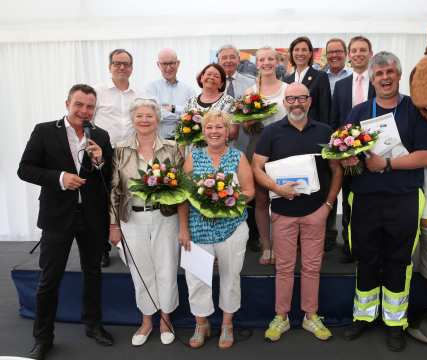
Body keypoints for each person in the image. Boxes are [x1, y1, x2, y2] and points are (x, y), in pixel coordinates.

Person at [340, 51, 427, 352]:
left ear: (398, 75)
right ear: (371, 79)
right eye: (379, 73)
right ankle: (364, 316)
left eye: (389, 72)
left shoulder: (416, 111)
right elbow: (345, 152)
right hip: (365, 198)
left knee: (399, 260)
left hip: (404, 198)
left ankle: (395, 322)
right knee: (366, 257)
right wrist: (346, 160)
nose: (384, 78)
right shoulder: (358, 112)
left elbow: (426, 155)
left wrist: (385, 165)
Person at [18, 84, 114, 360]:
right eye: (79, 105)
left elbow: (107, 178)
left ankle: (93, 325)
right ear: (67, 103)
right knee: (49, 278)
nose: (84, 111)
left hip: (92, 216)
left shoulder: (101, 135)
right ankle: (43, 337)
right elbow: (25, 169)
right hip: (57, 215)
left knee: (93, 272)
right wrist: (60, 178)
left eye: (90, 106)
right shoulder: (45, 130)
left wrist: (101, 161)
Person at [252, 83, 343, 342]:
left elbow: (337, 170)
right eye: (291, 98)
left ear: (310, 101)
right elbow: (257, 167)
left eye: (301, 98)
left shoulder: (325, 131)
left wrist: (327, 206)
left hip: (316, 212)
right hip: (283, 212)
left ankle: (310, 316)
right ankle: (281, 316)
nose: (296, 104)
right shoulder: (271, 132)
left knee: (313, 267)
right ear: (285, 101)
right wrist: (276, 189)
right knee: (284, 267)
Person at [109, 98, 183, 347]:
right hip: (132, 218)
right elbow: (114, 190)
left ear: (157, 119)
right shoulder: (120, 149)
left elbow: (182, 188)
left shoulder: (173, 148)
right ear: (132, 119)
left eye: (149, 116)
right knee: (140, 271)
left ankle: (165, 319)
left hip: (166, 217)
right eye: (139, 116)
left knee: (167, 267)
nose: (144, 120)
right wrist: (114, 224)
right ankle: (146, 320)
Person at [179, 111, 255, 349]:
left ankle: (227, 324)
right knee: (197, 279)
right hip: (197, 228)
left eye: (219, 127)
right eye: (210, 127)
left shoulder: (238, 156)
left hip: (231, 228)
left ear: (228, 132)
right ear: (203, 131)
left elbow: (250, 191)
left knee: (230, 278)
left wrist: (228, 198)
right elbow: (182, 195)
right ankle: (201, 324)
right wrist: (183, 229)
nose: (214, 131)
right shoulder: (193, 156)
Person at [94, 48, 142, 268]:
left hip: (132, 153)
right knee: (103, 200)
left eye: (126, 64)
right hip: (103, 152)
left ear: (131, 67)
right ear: (109, 66)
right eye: (117, 63)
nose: (121, 67)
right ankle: (102, 248)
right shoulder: (98, 92)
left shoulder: (139, 94)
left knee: (129, 197)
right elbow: (88, 122)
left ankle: (132, 244)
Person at [331, 35, 375, 259]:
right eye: (354, 50)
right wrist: (340, 152)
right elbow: (336, 120)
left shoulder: (380, 81)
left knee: (372, 202)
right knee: (348, 200)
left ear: (370, 54)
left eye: (362, 50)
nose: (358, 54)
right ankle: (349, 246)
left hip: (375, 153)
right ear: (349, 56)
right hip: (347, 155)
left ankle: (371, 246)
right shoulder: (340, 86)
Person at [244, 46, 288, 265]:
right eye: (262, 59)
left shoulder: (288, 89)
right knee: (261, 200)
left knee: (282, 199)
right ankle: (266, 245)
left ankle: (282, 245)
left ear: (277, 61)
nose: (267, 63)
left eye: (271, 59)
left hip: (284, 149)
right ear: (257, 63)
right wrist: (251, 119)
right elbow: (245, 128)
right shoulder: (250, 92)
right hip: (258, 147)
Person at [216, 44, 258, 251]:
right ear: (218, 60)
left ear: (238, 60)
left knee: (248, 188)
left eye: (232, 57)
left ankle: (252, 234)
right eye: (224, 57)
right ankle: (226, 229)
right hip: (219, 148)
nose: (229, 61)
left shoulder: (251, 84)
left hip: (245, 143)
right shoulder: (213, 83)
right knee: (222, 187)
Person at [146, 48, 196, 140]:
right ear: (158, 65)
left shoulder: (189, 90)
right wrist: (181, 116)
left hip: (183, 143)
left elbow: (193, 114)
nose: (168, 68)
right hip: (159, 142)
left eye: (171, 63)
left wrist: (173, 108)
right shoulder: (151, 88)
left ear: (178, 63)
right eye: (164, 64)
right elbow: (155, 114)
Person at [284, 36, 331, 125]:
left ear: (310, 54)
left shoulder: (320, 77)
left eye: (304, 50)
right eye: (296, 50)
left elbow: (325, 110)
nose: (300, 53)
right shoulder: (287, 80)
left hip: (313, 129)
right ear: (292, 53)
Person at [184, 63, 238, 140]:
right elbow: (182, 127)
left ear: (221, 84)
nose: (211, 77)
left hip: (219, 149)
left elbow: (233, 133)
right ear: (202, 78)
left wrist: (209, 135)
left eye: (216, 76)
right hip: (192, 150)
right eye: (208, 74)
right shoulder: (190, 101)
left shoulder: (230, 102)